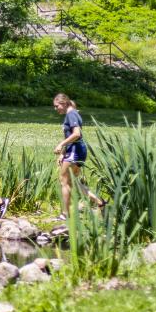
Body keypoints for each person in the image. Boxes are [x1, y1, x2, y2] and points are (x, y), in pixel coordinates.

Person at [52, 92, 103, 220]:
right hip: (74, 150)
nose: (55, 109)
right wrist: (63, 153)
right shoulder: (72, 114)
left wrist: (60, 144)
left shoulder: (71, 114)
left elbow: (76, 134)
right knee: (72, 182)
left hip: (75, 151)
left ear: (63, 103)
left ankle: (65, 214)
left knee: (64, 181)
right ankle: (100, 202)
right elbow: (70, 135)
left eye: (56, 106)